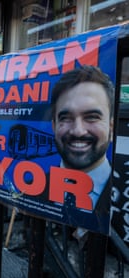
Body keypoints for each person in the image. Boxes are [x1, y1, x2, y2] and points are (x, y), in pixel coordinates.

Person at [49, 65, 114, 236]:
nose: (78, 131)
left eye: (92, 117)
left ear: (111, 128)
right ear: (54, 126)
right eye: (66, 118)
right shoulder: (34, 188)